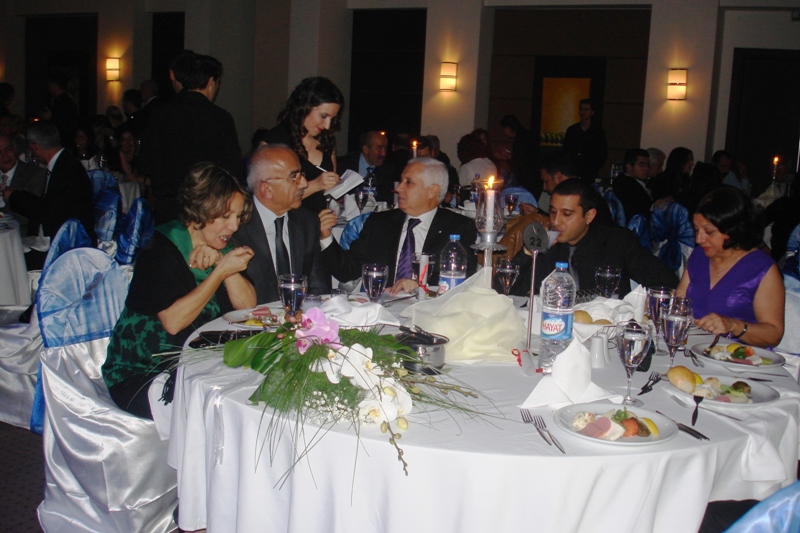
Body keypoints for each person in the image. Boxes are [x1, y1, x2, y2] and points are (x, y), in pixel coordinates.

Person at [102, 163, 256, 419]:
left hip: (198, 364)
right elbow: (173, 322)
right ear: (200, 210)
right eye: (226, 216)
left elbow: (247, 306)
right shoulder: (160, 248)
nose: (234, 226)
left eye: (238, 217)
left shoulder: (223, 247)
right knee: (222, 410)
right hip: (144, 372)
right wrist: (219, 273)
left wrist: (223, 264)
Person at [318, 157, 478, 292]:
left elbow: (463, 274)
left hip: (430, 308)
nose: (399, 188)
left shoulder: (458, 227)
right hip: (382, 306)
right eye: (401, 181)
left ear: (432, 191)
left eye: (408, 182)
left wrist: (421, 286)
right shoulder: (380, 223)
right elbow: (348, 271)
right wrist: (326, 237)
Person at [511, 179, 677, 297]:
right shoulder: (546, 243)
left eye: (566, 214)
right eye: (553, 212)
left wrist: (645, 304)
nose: (555, 221)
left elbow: (666, 282)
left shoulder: (617, 241)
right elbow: (508, 291)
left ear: (589, 216)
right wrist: (528, 251)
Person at [138, 52, 242, 224]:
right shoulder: (220, 118)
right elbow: (232, 169)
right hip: (206, 208)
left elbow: (145, 162)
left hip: (168, 206)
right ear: (211, 82)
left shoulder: (161, 113)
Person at [677, 187, 784, 348]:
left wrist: (733, 326)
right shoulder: (699, 256)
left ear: (733, 230)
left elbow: (774, 334)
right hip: (693, 348)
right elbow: (679, 303)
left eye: (709, 232)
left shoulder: (761, 268)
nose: (699, 239)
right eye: (697, 230)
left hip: (738, 356)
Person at [233, 145, 330, 304]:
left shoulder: (307, 222)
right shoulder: (237, 227)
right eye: (294, 177)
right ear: (267, 189)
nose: (304, 184)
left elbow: (317, 286)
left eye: (302, 175)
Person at [3, 121, 95, 253]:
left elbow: (50, 213)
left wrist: (14, 197)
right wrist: (19, 194)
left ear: (35, 146)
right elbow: (50, 205)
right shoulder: (63, 163)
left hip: (67, 246)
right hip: (55, 238)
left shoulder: (67, 170)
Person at [264, 77, 344, 213]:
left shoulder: (326, 142)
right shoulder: (275, 141)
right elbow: (270, 199)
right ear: (305, 107)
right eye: (323, 116)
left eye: (332, 118)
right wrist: (316, 185)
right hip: (287, 221)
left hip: (318, 220)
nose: (327, 125)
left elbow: (328, 193)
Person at [0, 133, 47, 234]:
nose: (4, 156)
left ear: (15, 150)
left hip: (21, 235)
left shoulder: (35, 174)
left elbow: (29, 217)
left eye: (8, 150)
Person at [337, 131, 396, 202]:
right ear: (366, 149)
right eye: (379, 148)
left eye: (385, 148)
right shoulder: (343, 164)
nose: (384, 154)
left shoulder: (387, 169)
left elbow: (386, 197)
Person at [562, 99, 608, 185]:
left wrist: (595, 166)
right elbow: (566, 150)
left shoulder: (598, 132)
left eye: (586, 109)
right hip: (573, 170)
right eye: (581, 109)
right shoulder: (572, 130)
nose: (583, 112)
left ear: (592, 112)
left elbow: (602, 152)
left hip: (590, 171)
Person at [499, 114, 540, 196]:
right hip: (535, 177)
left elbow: (519, 161)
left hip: (526, 179)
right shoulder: (528, 135)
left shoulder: (520, 139)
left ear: (508, 128)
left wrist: (506, 156)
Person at [612, 148, 652, 223]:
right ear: (629, 166)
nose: (646, 168)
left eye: (647, 165)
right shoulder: (626, 185)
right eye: (642, 165)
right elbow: (640, 211)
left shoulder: (627, 181)